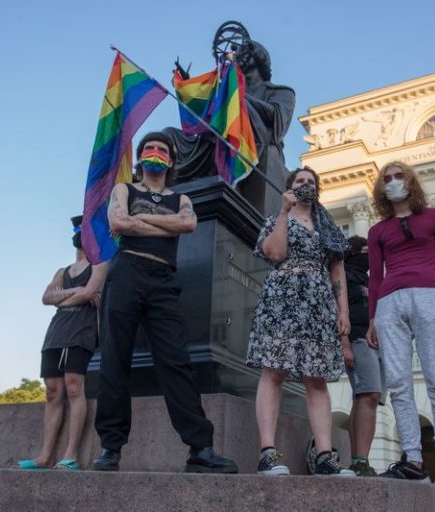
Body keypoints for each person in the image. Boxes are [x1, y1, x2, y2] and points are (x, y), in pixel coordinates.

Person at [91, 131, 237, 474]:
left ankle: (200, 449)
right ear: (141, 157)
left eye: (162, 149)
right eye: (149, 148)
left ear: (171, 160)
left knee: (176, 361)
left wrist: (140, 221)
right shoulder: (124, 190)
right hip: (127, 272)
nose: (155, 153)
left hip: (163, 280)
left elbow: (187, 223)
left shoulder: (180, 198)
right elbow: (117, 222)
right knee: (115, 358)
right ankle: (110, 447)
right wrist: (163, 226)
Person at [247, 166, 354, 476]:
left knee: (316, 379)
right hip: (282, 301)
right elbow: (275, 253)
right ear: (289, 188)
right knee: (274, 371)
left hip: (319, 307)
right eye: (300, 181)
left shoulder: (328, 228)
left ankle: (324, 456)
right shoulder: (275, 220)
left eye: (311, 181)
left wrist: (343, 312)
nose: (306, 185)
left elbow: (338, 274)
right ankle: (267, 452)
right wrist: (284, 212)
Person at [365, 161, 435, 485]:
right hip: (389, 303)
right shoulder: (378, 230)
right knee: (397, 382)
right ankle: (413, 458)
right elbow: (375, 277)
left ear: (411, 181)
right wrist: (371, 320)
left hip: (428, 296)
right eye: (387, 178)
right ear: (382, 188)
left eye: (399, 176)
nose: (393, 182)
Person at [166, 38, 295, 216]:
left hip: (253, 144)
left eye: (241, 50)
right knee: (168, 137)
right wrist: (188, 88)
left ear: (257, 56)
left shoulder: (282, 92)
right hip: (210, 142)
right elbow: (205, 116)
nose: (235, 54)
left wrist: (237, 97)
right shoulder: (226, 89)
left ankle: (230, 170)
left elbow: (278, 123)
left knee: (235, 106)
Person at [18, 215, 108, 470]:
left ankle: (70, 455)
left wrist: (63, 298)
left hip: (81, 330)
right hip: (56, 332)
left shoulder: (100, 265)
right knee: (52, 391)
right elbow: (47, 297)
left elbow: (89, 293)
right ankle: (45, 455)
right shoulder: (62, 271)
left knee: (73, 387)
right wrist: (72, 294)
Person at [342, 235, 386, 477]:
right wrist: (344, 343)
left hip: (375, 344)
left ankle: (361, 459)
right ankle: (359, 460)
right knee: (367, 395)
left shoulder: (368, 279)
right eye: (367, 251)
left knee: (369, 398)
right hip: (357, 339)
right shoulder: (345, 274)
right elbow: (339, 309)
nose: (371, 257)